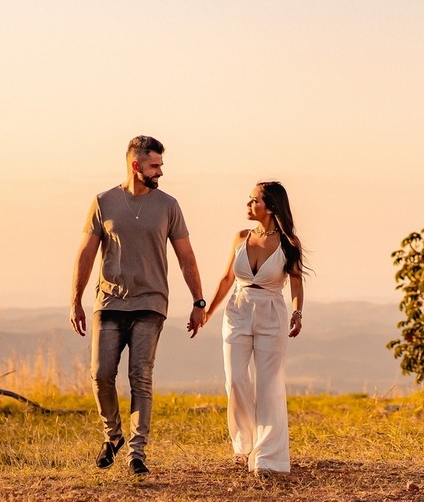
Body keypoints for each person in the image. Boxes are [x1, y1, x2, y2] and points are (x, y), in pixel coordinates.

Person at [70, 135, 207, 476]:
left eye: (160, 165)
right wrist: (76, 300)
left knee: (139, 376)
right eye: (155, 165)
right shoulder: (103, 202)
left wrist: (198, 300)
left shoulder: (168, 205)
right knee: (101, 374)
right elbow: (85, 254)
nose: (160, 171)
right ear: (136, 165)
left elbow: (186, 256)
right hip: (110, 299)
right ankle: (113, 436)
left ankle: (137, 452)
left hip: (151, 301)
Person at [203, 180, 306, 475]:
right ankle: (243, 445)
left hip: (272, 313)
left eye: (254, 201)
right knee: (235, 380)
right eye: (249, 200)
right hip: (238, 310)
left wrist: (298, 312)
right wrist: (208, 312)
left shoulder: (289, 242)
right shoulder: (240, 237)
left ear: (271, 206)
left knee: (268, 384)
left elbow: (296, 282)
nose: (248, 205)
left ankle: (268, 457)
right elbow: (226, 279)